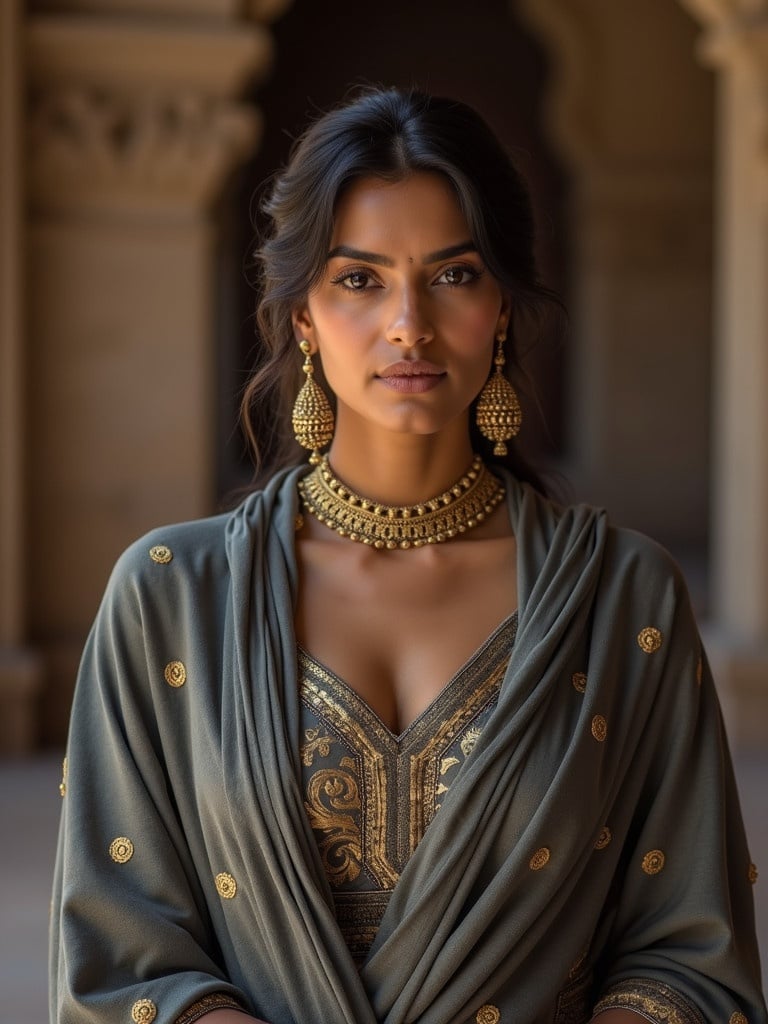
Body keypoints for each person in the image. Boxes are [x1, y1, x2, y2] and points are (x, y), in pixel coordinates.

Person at [50, 88, 766, 1024]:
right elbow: (119, 956)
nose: (408, 325)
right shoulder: (172, 599)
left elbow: (690, 954)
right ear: (302, 313)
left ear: (503, 303)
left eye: (454, 275)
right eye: (359, 279)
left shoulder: (623, 600)